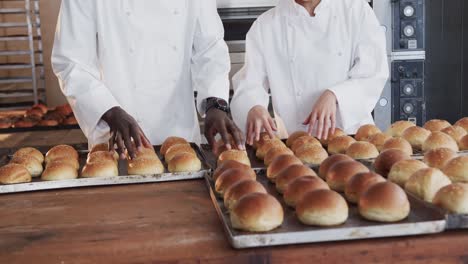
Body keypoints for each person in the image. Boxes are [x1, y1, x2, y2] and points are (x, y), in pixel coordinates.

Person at [52, 0, 244, 159]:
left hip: (181, 143)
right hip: (117, 142)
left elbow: (210, 49)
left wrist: (215, 104)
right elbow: (71, 63)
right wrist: (109, 111)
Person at [230, 0, 389, 145]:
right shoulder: (266, 25)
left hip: (353, 141)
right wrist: (253, 107)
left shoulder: (355, 10)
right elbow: (249, 84)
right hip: (295, 145)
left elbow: (373, 73)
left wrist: (335, 95)